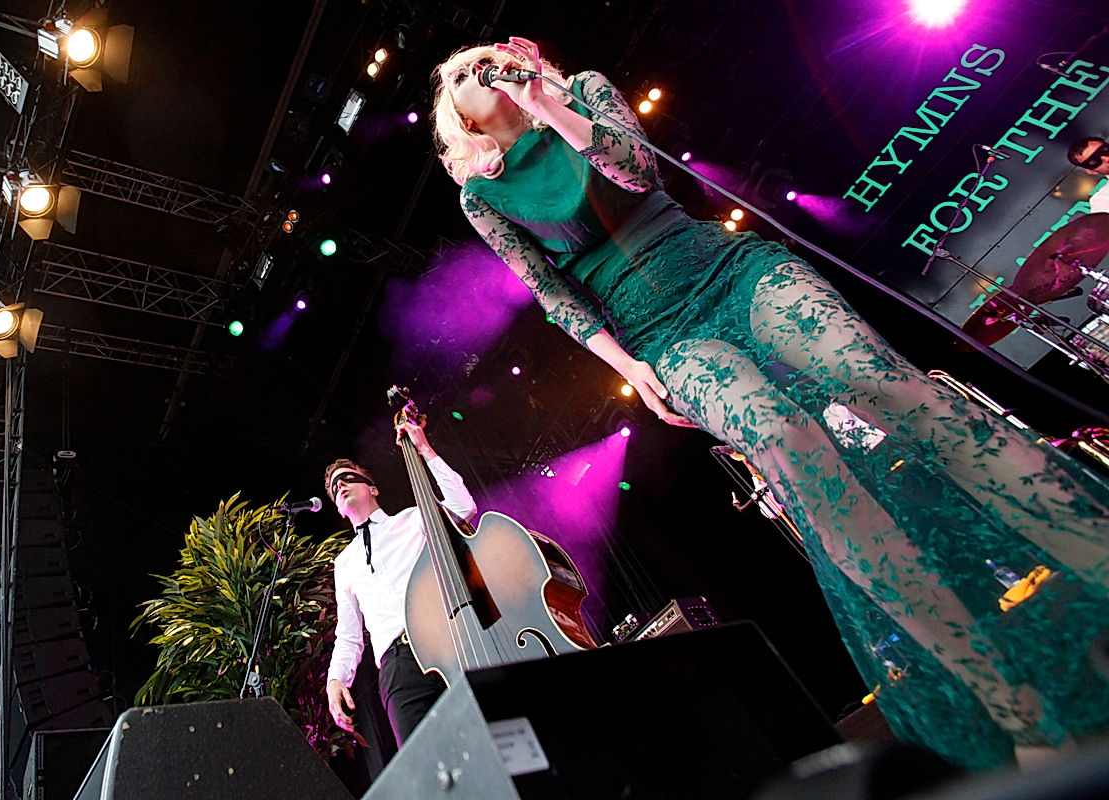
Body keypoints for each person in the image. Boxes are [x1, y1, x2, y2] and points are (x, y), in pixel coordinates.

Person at [431, 37, 1109, 770]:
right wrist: (626, 364)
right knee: (798, 461)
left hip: (730, 270)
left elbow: (634, 170)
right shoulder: (481, 198)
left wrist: (547, 105)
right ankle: (1011, 703)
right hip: (663, 334)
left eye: (485, 57)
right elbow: (553, 292)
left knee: (891, 388)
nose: (481, 70)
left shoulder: (582, 91)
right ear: (461, 122)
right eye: (464, 74)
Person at [324, 422, 477, 748]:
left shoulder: (414, 518)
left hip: (447, 639)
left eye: (349, 478)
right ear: (338, 509)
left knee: (480, 734)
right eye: (335, 488)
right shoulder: (344, 564)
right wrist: (336, 679)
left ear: (373, 488)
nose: (342, 486)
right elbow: (349, 634)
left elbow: (464, 508)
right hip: (397, 666)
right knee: (425, 760)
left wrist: (424, 449)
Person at [1067, 136, 1109, 213]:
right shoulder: (1103, 201)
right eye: (1095, 161)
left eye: (1106, 151)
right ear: (1091, 171)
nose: (1107, 159)